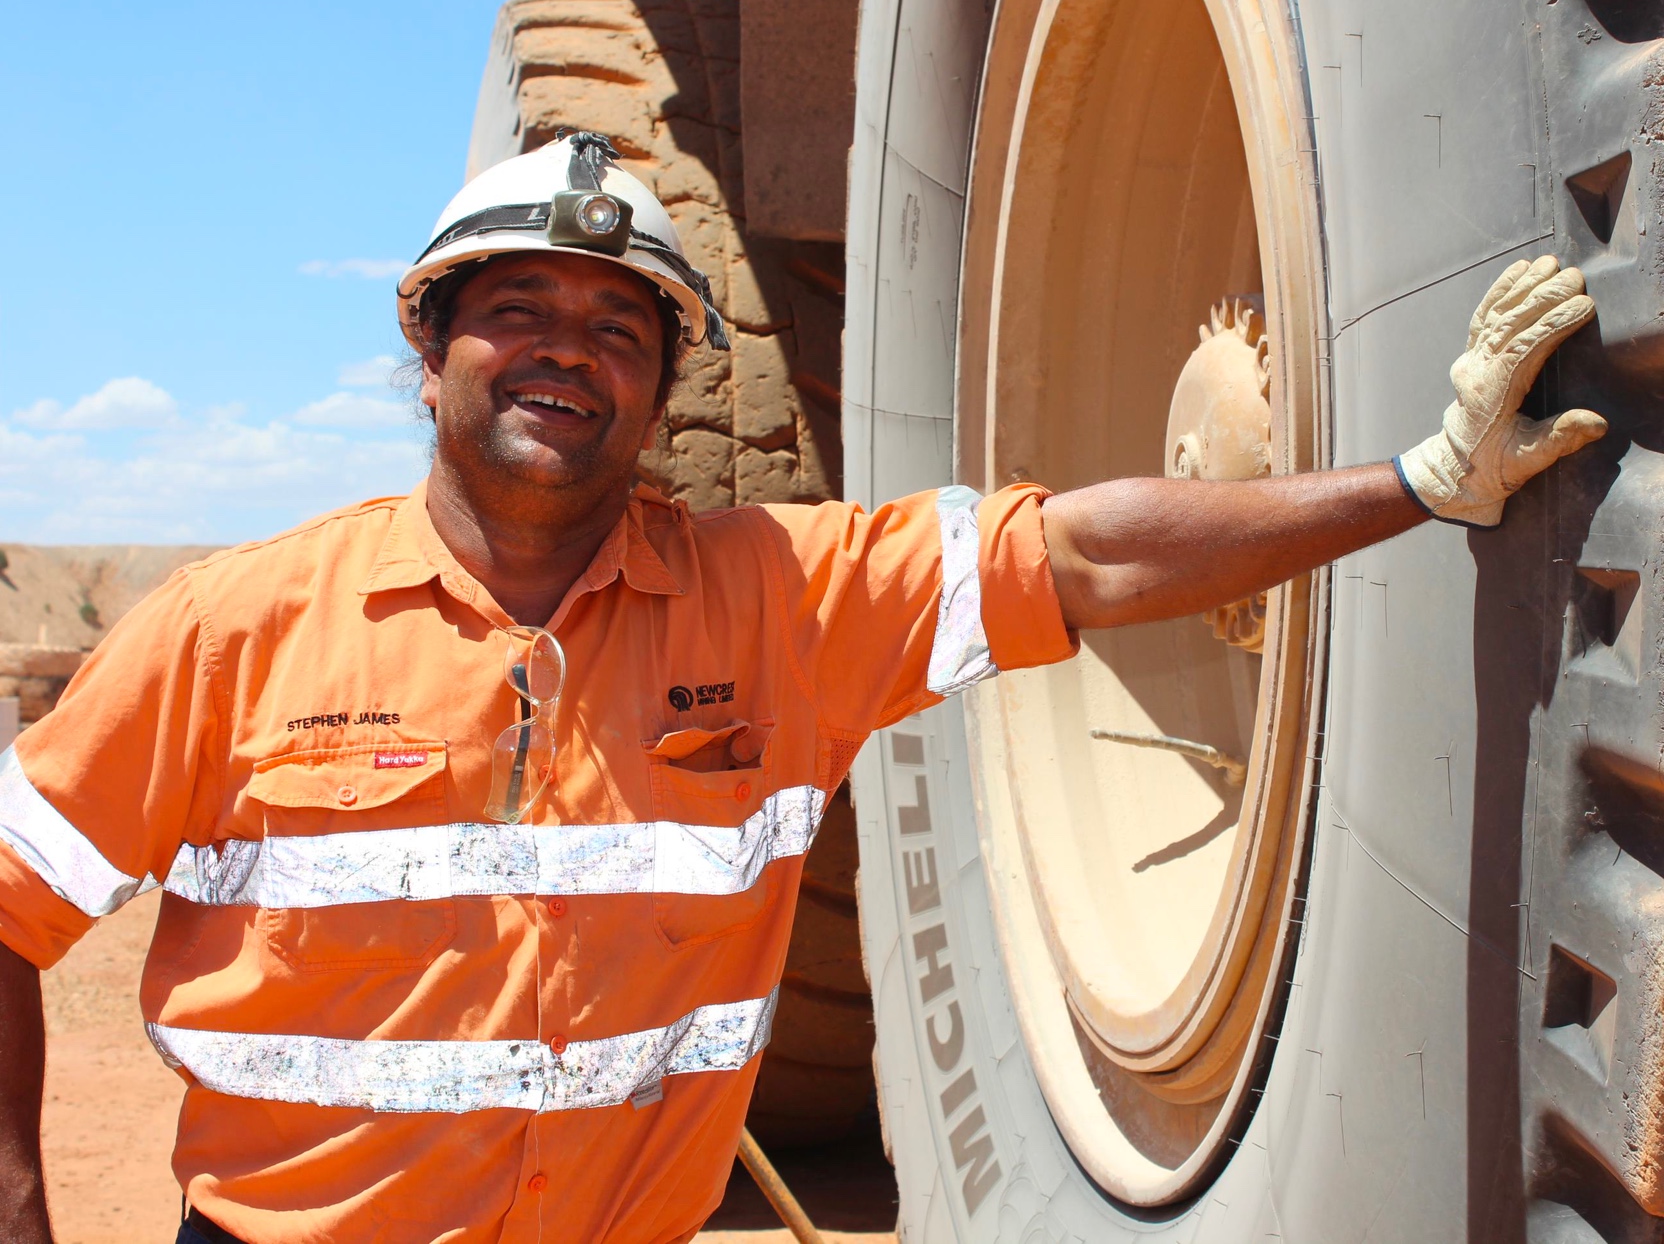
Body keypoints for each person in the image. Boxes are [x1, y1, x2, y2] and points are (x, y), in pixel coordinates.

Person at [0, 132, 1604, 1244]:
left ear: (661, 388)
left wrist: (1419, 479)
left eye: (619, 328)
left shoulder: (779, 597)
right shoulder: (232, 629)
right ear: (428, 354)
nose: (569, 350)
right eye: (518, 313)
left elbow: (1092, 553)